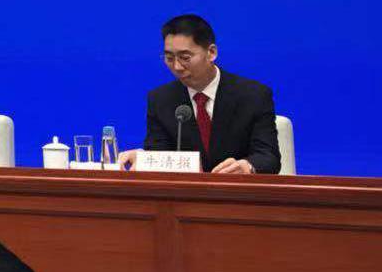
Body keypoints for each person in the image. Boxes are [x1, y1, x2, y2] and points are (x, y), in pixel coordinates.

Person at [120, 14, 280, 174]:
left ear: (211, 53)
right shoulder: (160, 99)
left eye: (185, 57)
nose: (177, 67)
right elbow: (158, 152)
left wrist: (248, 166)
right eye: (169, 58)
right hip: (185, 189)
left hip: (236, 187)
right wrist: (145, 159)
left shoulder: (254, 95)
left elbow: (269, 157)